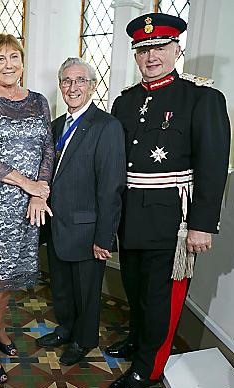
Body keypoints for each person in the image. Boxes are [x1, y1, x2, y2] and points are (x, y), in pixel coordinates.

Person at [106, 13, 230, 388]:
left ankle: (149, 368)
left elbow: (212, 165)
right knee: (136, 289)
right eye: (143, 49)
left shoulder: (202, 97)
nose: (150, 56)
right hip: (130, 217)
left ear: (177, 49)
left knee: (160, 299)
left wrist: (202, 225)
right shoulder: (124, 102)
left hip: (172, 221)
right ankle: (137, 341)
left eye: (159, 47)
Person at [0, 33, 54, 384]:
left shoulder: (39, 101)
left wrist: (39, 191)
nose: (8, 64)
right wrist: (25, 182)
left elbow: (48, 149)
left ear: (22, 62)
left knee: (12, 276)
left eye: (14, 57)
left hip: (31, 204)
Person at [35, 58, 125, 366]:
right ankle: (66, 329)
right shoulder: (57, 125)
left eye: (80, 81)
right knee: (61, 287)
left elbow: (111, 187)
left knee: (86, 293)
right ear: (60, 86)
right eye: (67, 81)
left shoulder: (107, 126)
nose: (73, 87)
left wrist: (105, 237)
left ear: (92, 85)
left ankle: (84, 340)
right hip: (57, 226)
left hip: (89, 230)